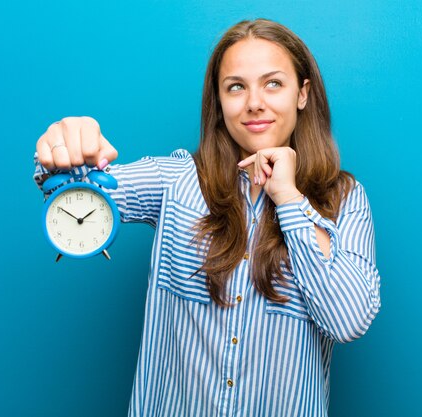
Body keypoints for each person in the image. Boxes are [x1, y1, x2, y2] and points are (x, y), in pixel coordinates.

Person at [34, 18, 381, 417]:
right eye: (236, 86)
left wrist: (287, 198)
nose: (254, 102)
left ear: (302, 93)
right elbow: (72, 188)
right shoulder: (176, 181)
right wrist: (63, 145)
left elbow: (348, 320)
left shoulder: (345, 199)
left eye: (273, 83)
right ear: (219, 101)